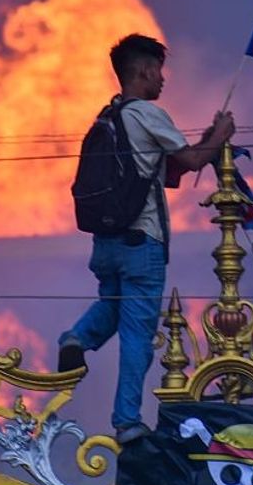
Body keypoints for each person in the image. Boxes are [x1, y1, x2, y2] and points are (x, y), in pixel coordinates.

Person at [59, 34, 235, 444]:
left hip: (106, 243)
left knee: (112, 306)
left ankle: (75, 339)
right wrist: (221, 136)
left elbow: (168, 172)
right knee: (138, 334)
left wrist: (208, 136)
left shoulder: (111, 117)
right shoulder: (148, 114)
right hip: (143, 243)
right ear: (144, 71)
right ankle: (127, 423)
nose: (163, 81)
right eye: (159, 71)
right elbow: (190, 161)